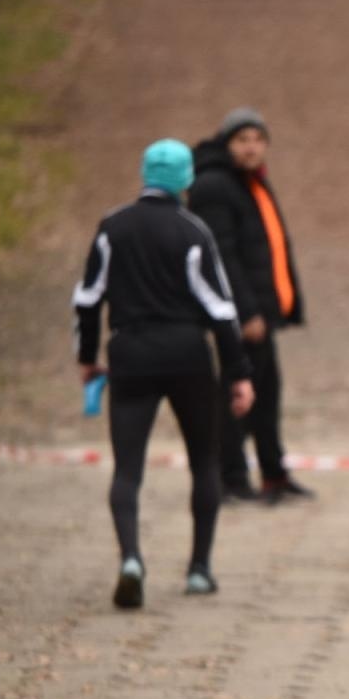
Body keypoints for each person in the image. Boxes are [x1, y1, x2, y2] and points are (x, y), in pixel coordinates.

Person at [72, 139, 255, 609]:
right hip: (187, 356)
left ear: (144, 175)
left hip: (129, 354)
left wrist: (88, 357)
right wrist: (238, 373)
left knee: (127, 468)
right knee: (203, 461)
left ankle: (131, 559)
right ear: (187, 181)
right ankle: (198, 570)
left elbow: (88, 299)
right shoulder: (193, 232)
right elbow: (220, 308)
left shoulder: (112, 227)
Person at [188, 106, 312, 505]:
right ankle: (229, 478)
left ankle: (274, 474)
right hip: (242, 317)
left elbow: (268, 246)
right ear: (227, 144)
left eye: (258, 139)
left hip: (263, 312)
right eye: (242, 140)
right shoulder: (213, 186)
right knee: (239, 397)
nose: (252, 147)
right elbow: (220, 255)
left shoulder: (250, 182)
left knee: (267, 393)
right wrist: (245, 313)